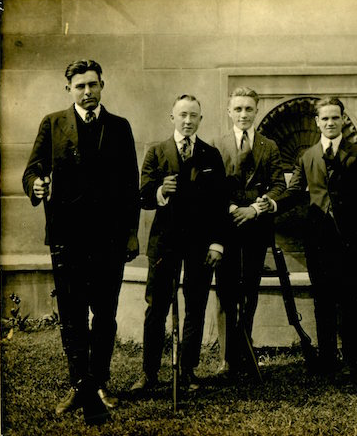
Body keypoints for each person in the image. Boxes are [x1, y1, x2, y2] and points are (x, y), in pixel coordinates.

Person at [22, 59, 140, 424]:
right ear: (68, 89)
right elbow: (32, 170)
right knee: (72, 318)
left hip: (109, 240)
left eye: (93, 85)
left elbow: (130, 186)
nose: (87, 92)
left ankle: (100, 382)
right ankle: (78, 385)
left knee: (104, 316)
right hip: (67, 238)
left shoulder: (119, 127)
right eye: (80, 86)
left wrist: (132, 233)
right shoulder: (52, 124)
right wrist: (36, 185)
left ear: (102, 85)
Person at [271, 97, 357, 375]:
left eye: (335, 117)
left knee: (351, 297)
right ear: (317, 122)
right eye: (325, 118)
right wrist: (270, 205)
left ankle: (353, 357)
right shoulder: (307, 156)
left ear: (342, 120)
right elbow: (294, 192)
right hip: (318, 239)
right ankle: (327, 358)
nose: (330, 123)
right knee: (323, 298)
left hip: (349, 237)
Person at [131, 95, 227, 393]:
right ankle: (149, 373)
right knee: (156, 306)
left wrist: (217, 243)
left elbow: (220, 204)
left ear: (201, 119)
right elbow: (143, 195)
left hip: (200, 244)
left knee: (195, 306)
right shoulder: (157, 151)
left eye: (194, 115)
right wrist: (160, 190)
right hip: (165, 243)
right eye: (182, 114)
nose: (188, 120)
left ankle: (188, 371)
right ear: (171, 117)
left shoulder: (210, 154)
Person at [211, 87, 286, 374]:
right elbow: (212, 187)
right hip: (227, 227)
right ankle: (226, 358)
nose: (243, 114)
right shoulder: (217, 145)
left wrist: (257, 208)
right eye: (238, 109)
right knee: (226, 291)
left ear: (257, 111)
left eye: (249, 109)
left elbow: (279, 184)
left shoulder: (269, 146)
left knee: (250, 290)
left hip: (255, 227)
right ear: (229, 111)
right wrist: (232, 208)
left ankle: (245, 351)